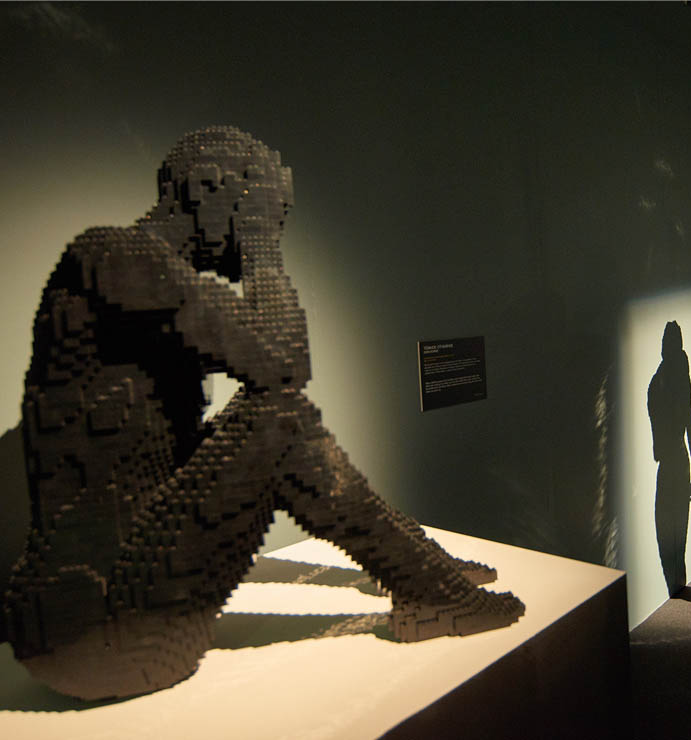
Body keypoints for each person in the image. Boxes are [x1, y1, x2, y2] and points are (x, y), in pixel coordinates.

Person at [3, 127, 523, 700]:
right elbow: (282, 364)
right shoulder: (112, 257)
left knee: (264, 419)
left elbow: (203, 434)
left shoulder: (141, 290)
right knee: (277, 418)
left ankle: (417, 566)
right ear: (206, 189)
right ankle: (429, 590)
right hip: (103, 631)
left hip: (91, 620)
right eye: (258, 203)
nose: (273, 218)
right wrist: (260, 243)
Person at [647, 321, 691, 596]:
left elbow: (687, 422)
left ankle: (676, 588)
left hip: (671, 463)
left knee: (672, 534)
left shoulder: (663, 382)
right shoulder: (670, 380)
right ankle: (677, 588)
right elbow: (689, 422)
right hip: (676, 461)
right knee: (675, 534)